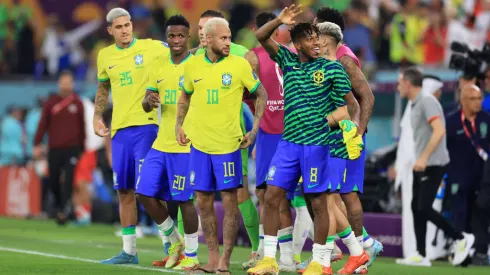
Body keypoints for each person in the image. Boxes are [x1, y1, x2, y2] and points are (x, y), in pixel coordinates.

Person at [248, 5, 363, 275]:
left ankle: (318, 261)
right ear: (297, 44)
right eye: (310, 39)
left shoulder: (332, 69)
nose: (316, 43)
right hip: (287, 145)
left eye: (318, 39)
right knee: (272, 197)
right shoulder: (287, 63)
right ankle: (269, 260)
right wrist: (280, 20)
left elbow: (352, 106)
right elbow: (262, 37)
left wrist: (342, 124)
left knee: (318, 202)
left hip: (316, 146)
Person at [176, 17, 267, 274]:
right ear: (208, 39)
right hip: (199, 144)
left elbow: (261, 93)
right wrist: (178, 125)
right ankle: (213, 257)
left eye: (229, 38)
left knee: (230, 202)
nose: (228, 42)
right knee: (203, 202)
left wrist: (255, 127)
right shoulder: (192, 65)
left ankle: (226, 260)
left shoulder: (239, 65)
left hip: (229, 145)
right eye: (223, 38)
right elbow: (185, 95)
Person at [93, 7, 169, 264]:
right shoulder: (104, 56)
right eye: (119, 27)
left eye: (127, 25)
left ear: (132, 25)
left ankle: (171, 243)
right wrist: (97, 116)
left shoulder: (152, 47)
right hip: (120, 131)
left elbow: (181, 52)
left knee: (148, 189)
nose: (125, 30)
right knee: (124, 190)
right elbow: (103, 87)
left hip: (147, 127)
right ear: (110, 30)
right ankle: (129, 251)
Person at [314, 7, 382, 267]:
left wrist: (358, 132)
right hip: (331, 136)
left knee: (345, 195)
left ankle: (356, 253)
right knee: (334, 195)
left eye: (316, 26)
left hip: (345, 138)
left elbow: (367, 96)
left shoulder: (344, 59)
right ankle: (360, 247)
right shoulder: (325, 58)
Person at [135, 14, 200, 271]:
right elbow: (146, 99)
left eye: (180, 36)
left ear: (188, 37)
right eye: (171, 36)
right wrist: (148, 101)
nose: (176, 40)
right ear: (166, 37)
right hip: (160, 142)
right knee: (143, 192)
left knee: (185, 201)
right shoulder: (159, 65)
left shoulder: (198, 65)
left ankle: (192, 255)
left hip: (185, 145)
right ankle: (175, 242)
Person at [395, 67, 474, 267]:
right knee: (415, 207)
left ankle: (460, 238)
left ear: (408, 83)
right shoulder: (414, 103)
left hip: (433, 163)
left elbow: (439, 131)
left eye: (399, 82)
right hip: (421, 164)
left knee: (423, 207)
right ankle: (420, 255)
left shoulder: (427, 101)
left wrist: (423, 158)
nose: (397, 87)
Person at [244, 11, 295, 272]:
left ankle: (277, 256)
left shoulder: (253, 56)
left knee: (271, 195)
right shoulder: (293, 54)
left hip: (281, 134)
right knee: (271, 195)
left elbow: (243, 94)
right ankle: (279, 256)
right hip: (274, 133)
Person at [395, 74, 444, 258]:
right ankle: (415, 251)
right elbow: (406, 144)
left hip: (425, 166)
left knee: (424, 208)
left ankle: (430, 251)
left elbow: (437, 135)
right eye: (437, 92)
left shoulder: (428, 106)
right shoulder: (414, 108)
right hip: (412, 169)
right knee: (414, 210)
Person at [33, 70, 85, 225]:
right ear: (59, 83)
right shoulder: (51, 102)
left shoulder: (77, 103)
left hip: (72, 148)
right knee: (53, 180)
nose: (66, 85)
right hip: (54, 147)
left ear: (72, 84)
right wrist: (36, 143)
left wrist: (82, 147)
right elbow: (43, 124)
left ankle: (64, 211)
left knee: (69, 181)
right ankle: (57, 207)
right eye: (63, 82)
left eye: (69, 82)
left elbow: (82, 126)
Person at [446, 85, 490, 264]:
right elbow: (444, 149)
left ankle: (480, 252)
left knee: (480, 214)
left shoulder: (486, 119)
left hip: (482, 178)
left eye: (479, 98)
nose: (478, 102)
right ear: (463, 100)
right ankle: (461, 253)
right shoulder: (451, 121)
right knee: (459, 215)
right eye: (473, 98)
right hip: (458, 177)